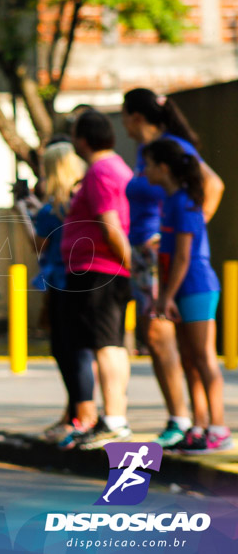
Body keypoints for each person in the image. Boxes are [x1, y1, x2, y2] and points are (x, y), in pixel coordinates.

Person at [122, 88, 224, 448]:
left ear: (136, 116)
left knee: (168, 338)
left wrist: (190, 229)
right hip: (152, 255)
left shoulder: (173, 149)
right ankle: (189, 420)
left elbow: (212, 184)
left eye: (124, 114)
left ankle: (200, 422)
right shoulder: (144, 153)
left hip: (172, 260)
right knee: (167, 341)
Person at [144, 138, 231, 453]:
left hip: (195, 285)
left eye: (150, 164)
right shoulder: (172, 201)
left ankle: (218, 426)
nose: (146, 171)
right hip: (179, 288)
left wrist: (166, 294)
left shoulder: (185, 202)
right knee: (189, 359)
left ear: (164, 167)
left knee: (204, 357)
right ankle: (199, 423)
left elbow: (183, 256)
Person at [58, 110, 133, 450]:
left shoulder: (101, 170)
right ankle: (116, 416)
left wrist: (129, 263)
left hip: (98, 269)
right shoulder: (116, 167)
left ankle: (115, 419)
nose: (73, 141)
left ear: (83, 139)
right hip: (105, 269)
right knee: (112, 344)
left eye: (75, 134)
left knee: (104, 345)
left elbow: (110, 222)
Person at [15, 142, 92, 443]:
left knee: (66, 348)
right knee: (76, 347)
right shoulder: (76, 202)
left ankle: (81, 413)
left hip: (61, 280)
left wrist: (26, 213)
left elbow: (39, 244)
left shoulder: (52, 208)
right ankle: (74, 411)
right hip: (80, 278)